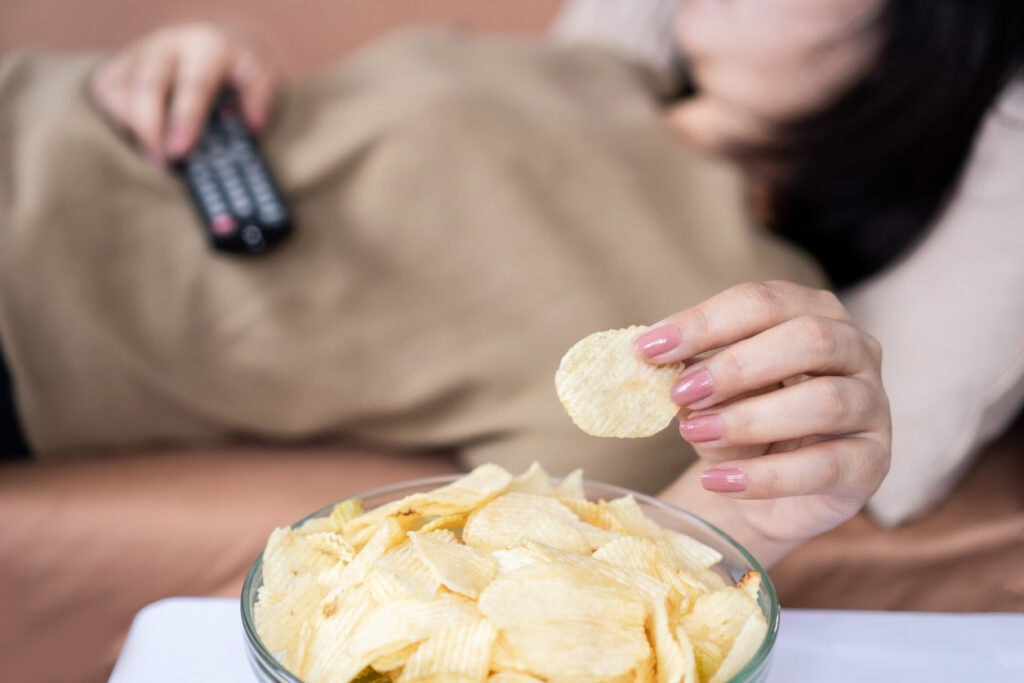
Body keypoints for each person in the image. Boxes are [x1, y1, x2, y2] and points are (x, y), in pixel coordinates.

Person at [0, 3, 1021, 677]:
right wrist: (197, 59)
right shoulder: (595, 69)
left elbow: (548, 577)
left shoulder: (704, 301)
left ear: (919, 48)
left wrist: (747, 515)